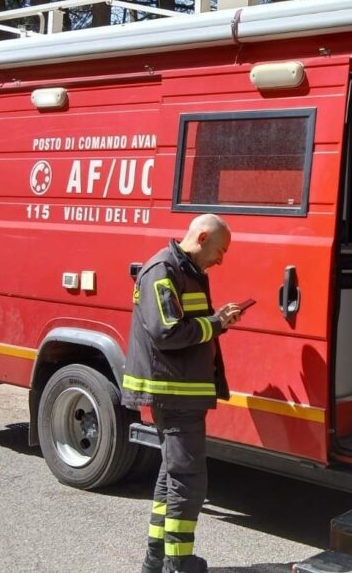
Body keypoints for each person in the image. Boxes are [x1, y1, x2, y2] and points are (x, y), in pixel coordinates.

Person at [122, 214, 246, 573]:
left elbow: (185, 326)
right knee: (187, 480)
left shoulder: (184, 270)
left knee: (172, 476)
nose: (221, 260)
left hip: (179, 392)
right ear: (202, 237)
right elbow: (168, 333)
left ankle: (156, 558)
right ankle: (178, 562)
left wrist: (217, 321)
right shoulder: (162, 270)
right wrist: (216, 323)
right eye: (220, 250)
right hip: (174, 394)